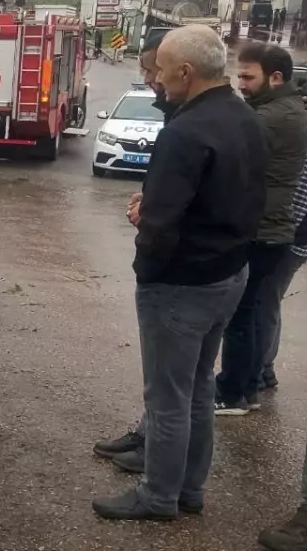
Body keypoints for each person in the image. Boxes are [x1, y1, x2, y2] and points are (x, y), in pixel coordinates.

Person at [92, 25, 267, 521]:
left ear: (186, 72)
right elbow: (236, 194)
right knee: (198, 391)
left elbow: (160, 226)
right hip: (228, 275)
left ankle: (158, 497)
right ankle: (189, 490)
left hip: (179, 286)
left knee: (167, 399)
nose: (158, 81)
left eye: (163, 70)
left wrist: (146, 251)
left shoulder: (184, 131)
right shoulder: (243, 116)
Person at [93, 32, 178, 475]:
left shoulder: (193, 126)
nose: (149, 80)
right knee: (175, 382)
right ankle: (150, 441)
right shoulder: (192, 119)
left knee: (174, 383)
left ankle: (161, 478)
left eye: (154, 71)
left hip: (180, 277)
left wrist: (148, 223)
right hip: (188, 271)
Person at [214, 41, 307, 416]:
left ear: (276, 77)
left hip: (260, 231)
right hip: (271, 230)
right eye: (238, 75)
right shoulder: (283, 109)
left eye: (247, 77)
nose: (240, 84)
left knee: (239, 318)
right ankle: (246, 387)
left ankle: (234, 392)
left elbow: (224, 147)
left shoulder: (270, 118)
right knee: (250, 314)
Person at [259, 125, 307, 391]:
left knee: (264, 303)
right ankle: (264, 367)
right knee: (269, 302)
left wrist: (276, 239)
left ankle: (261, 370)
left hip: (290, 242)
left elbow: (297, 204)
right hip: (295, 239)